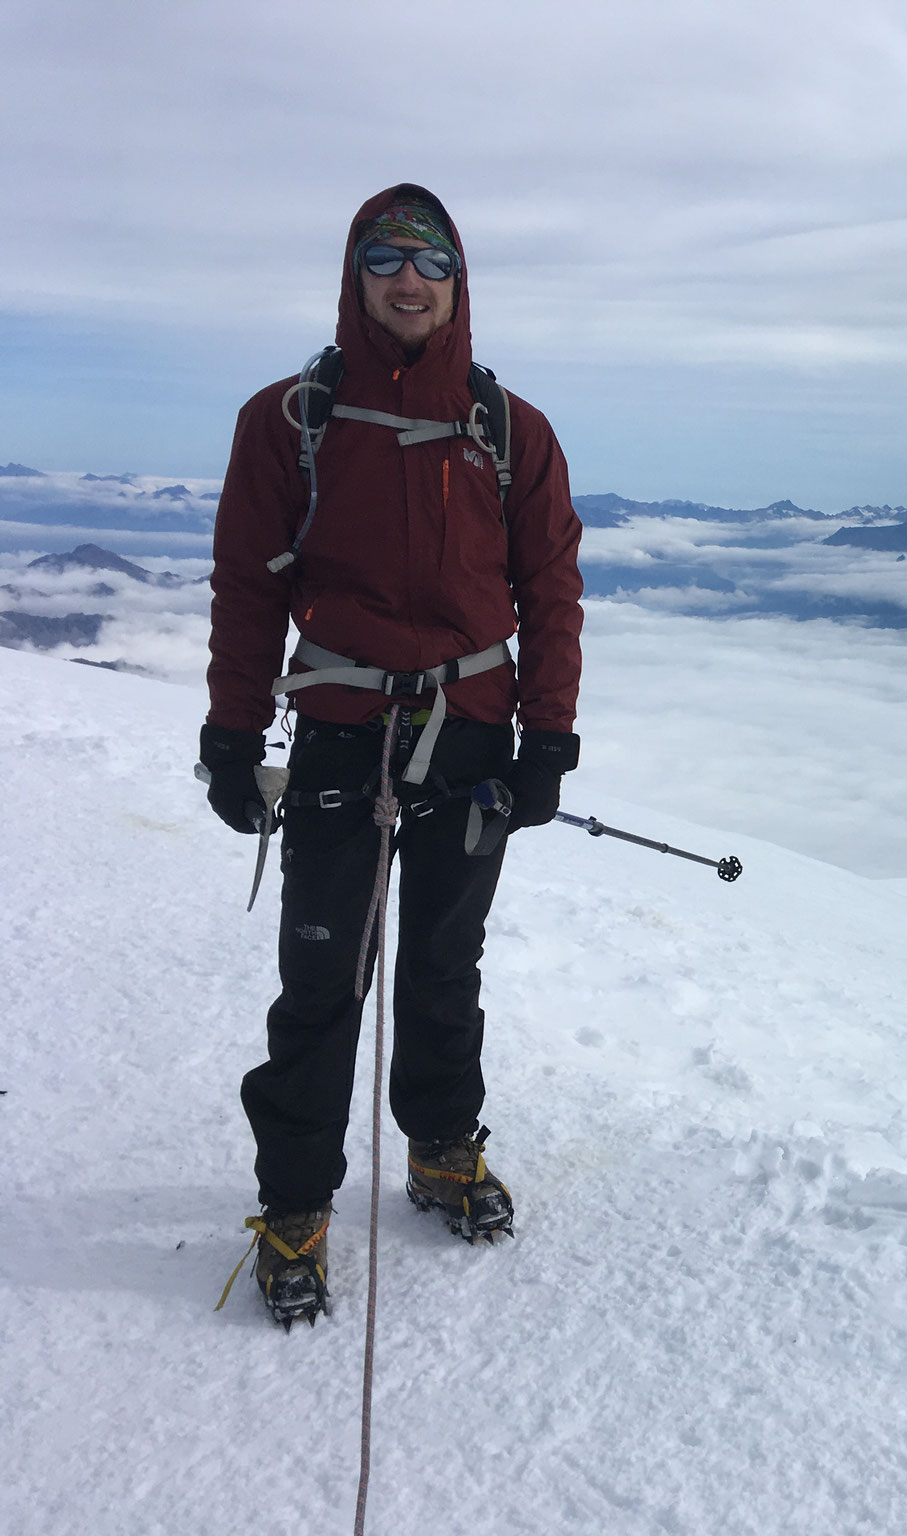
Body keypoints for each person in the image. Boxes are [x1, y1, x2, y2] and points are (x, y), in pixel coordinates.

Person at [202, 184, 584, 1326]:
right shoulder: (291, 420)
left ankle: (438, 1146)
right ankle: (294, 1200)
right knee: (324, 973)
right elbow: (244, 583)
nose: (406, 279)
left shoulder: (510, 430)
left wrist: (548, 736)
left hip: (468, 731)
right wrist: (231, 731)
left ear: (458, 284)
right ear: (354, 275)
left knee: (440, 960)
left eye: (428, 262)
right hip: (338, 730)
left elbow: (550, 588)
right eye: (383, 258)